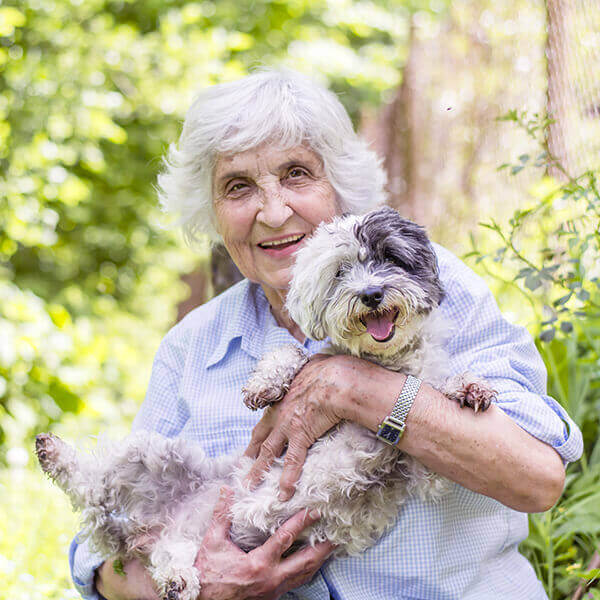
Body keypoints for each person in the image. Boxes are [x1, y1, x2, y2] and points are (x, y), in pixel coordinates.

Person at [70, 68, 583, 600]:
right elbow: (99, 555)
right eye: (238, 186)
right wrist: (204, 589)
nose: (273, 212)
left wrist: (358, 389)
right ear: (213, 212)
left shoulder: (431, 282)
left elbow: (537, 477)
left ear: (338, 183)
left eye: (296, 174)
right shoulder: (195, 342)